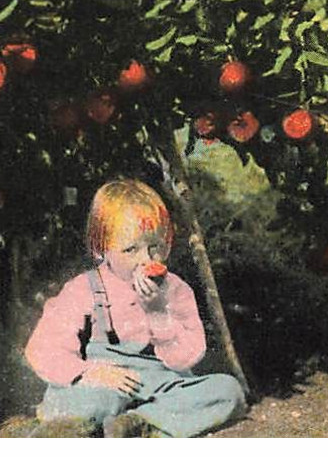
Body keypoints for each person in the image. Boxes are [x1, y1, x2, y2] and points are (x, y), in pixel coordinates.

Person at [23, 179, 248, 437]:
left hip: (160, 385)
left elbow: (187, 357)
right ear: (102, 248)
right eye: (131, 249)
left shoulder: (175, 289)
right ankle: (81, 427)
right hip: (105, 385)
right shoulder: (84, 288)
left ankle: (139, 425)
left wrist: (158, 312)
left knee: (227, 392)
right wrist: (88, 372)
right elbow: (42, 347)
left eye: (156, 247)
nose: (146, 259)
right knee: (90, 403)